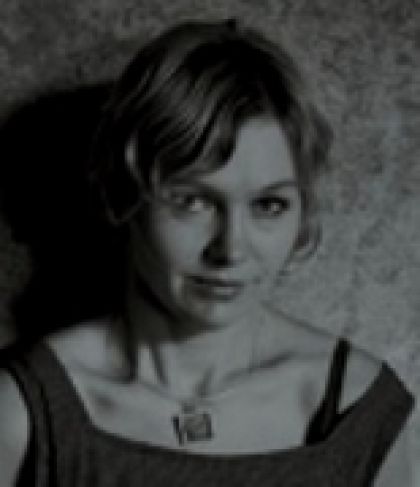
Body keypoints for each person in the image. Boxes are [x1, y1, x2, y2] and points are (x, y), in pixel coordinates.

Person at [0, 18, 414, 486]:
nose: (231, 249)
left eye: (269, 205)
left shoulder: (358, 409)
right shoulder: (24, 410)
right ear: (122, 194)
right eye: (192, 201)